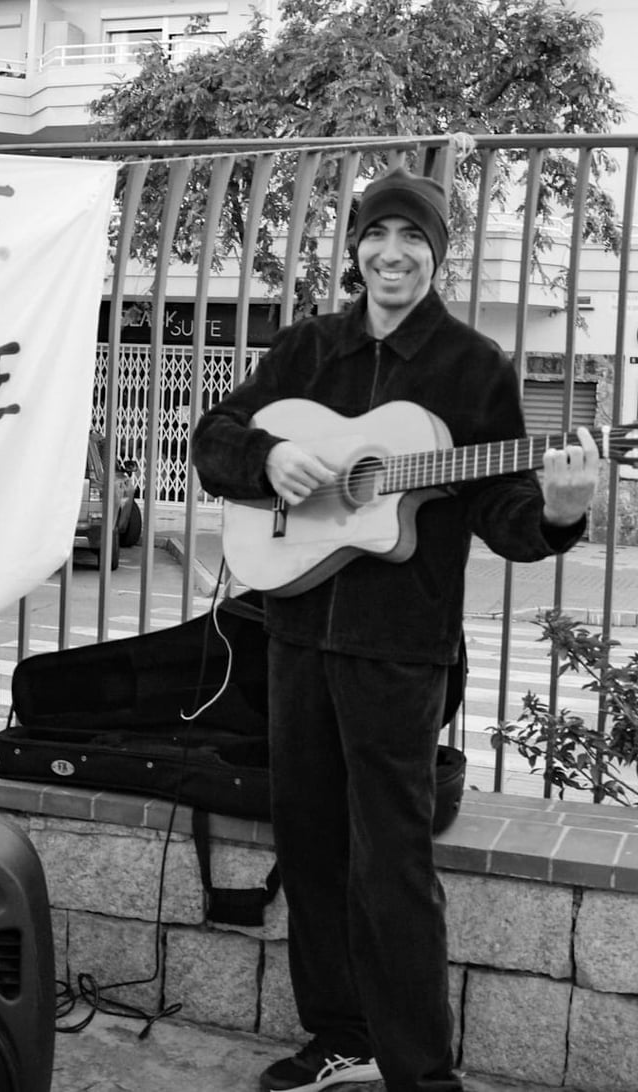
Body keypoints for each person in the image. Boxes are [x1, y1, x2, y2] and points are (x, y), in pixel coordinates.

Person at [191, 166, 600, 1092]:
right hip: (295, 630)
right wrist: (270, 455)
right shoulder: (308, 349)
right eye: (379, 233)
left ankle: (420, 1073)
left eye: (414, 237)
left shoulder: (471, 367)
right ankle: (342, 1038)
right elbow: (214, 439)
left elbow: (502, 509)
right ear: (357, 248)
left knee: (394, 863)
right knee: (308, 844)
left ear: (437, 256)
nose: (393, 253)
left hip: (400, 649)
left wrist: (561, 511)